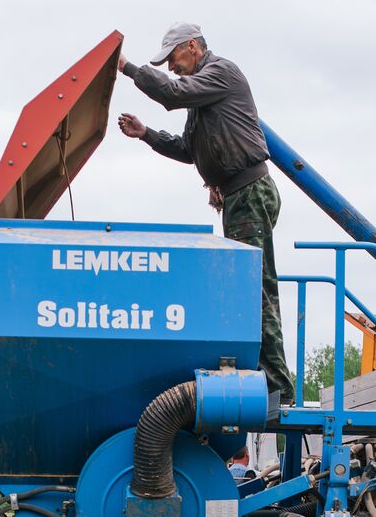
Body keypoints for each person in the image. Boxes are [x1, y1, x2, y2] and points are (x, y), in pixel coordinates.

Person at [116, 23, 295, 448]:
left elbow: (172, 94)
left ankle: (277, 385)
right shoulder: (202, 97)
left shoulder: (221, 74)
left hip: (249, 192)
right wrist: (147, 135)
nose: (172, 69)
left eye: (174, 59)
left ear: (193, 48)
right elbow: (187, 149)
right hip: (237, 196)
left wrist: (126, 67)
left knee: (257, 288)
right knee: (249, 289)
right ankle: (268, 379)